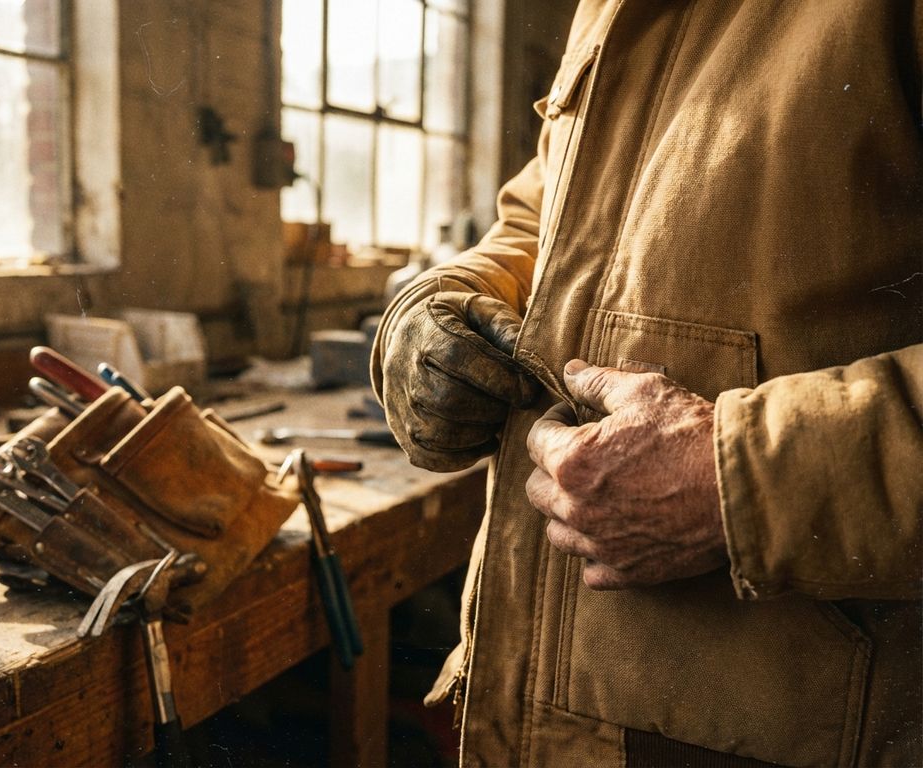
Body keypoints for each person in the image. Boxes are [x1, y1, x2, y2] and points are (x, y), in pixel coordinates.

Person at [371, 1, 922, 766]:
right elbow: (549, 211)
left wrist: (738, 480)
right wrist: (449, 295)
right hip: (558, 710)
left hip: (800, 720)